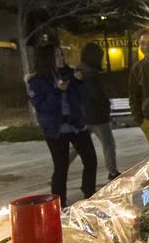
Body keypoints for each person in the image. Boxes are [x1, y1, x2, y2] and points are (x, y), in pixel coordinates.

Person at [27, 45, 97, 207]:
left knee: (90, 160)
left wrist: (79, 82)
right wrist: (57, 91)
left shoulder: (69, 73)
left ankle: (89, 192)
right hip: (56, 129)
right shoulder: (36, 81)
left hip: (77, 125)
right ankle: (58, 203)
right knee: (61, 167)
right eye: (56, 55)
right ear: (46, 59)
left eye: (61, 55)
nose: (61, 58)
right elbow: (42, 107)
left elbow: (83, 97)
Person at [71, 43, 120, 181]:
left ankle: (60, 169)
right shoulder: (91, 74)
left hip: (83, 115)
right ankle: (113, 171)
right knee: (108, 144)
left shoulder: (78, 71)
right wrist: (105, 102)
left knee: (77, 147)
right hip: (97, 115)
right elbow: (97, 94)